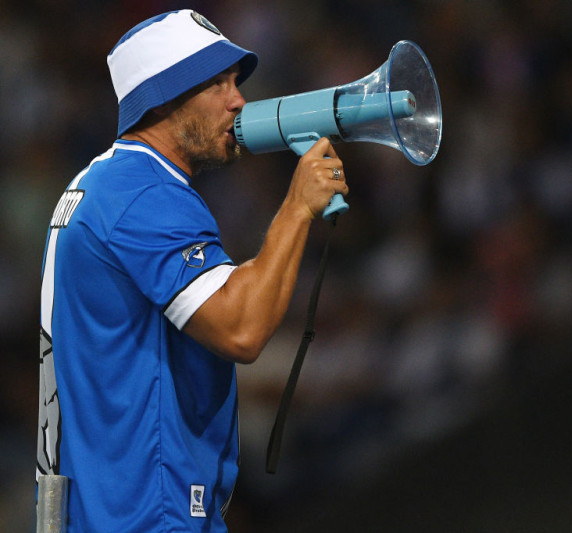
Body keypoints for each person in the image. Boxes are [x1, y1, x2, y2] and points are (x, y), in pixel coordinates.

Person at [35, 9, 348, 531]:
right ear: (162, 98)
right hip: (144, 513)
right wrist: (296, 209)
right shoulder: (146, 194)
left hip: (99, 508)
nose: (238, 101)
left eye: (235, 82)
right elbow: (241, 329)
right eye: (216, 84)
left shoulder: (100, 184)